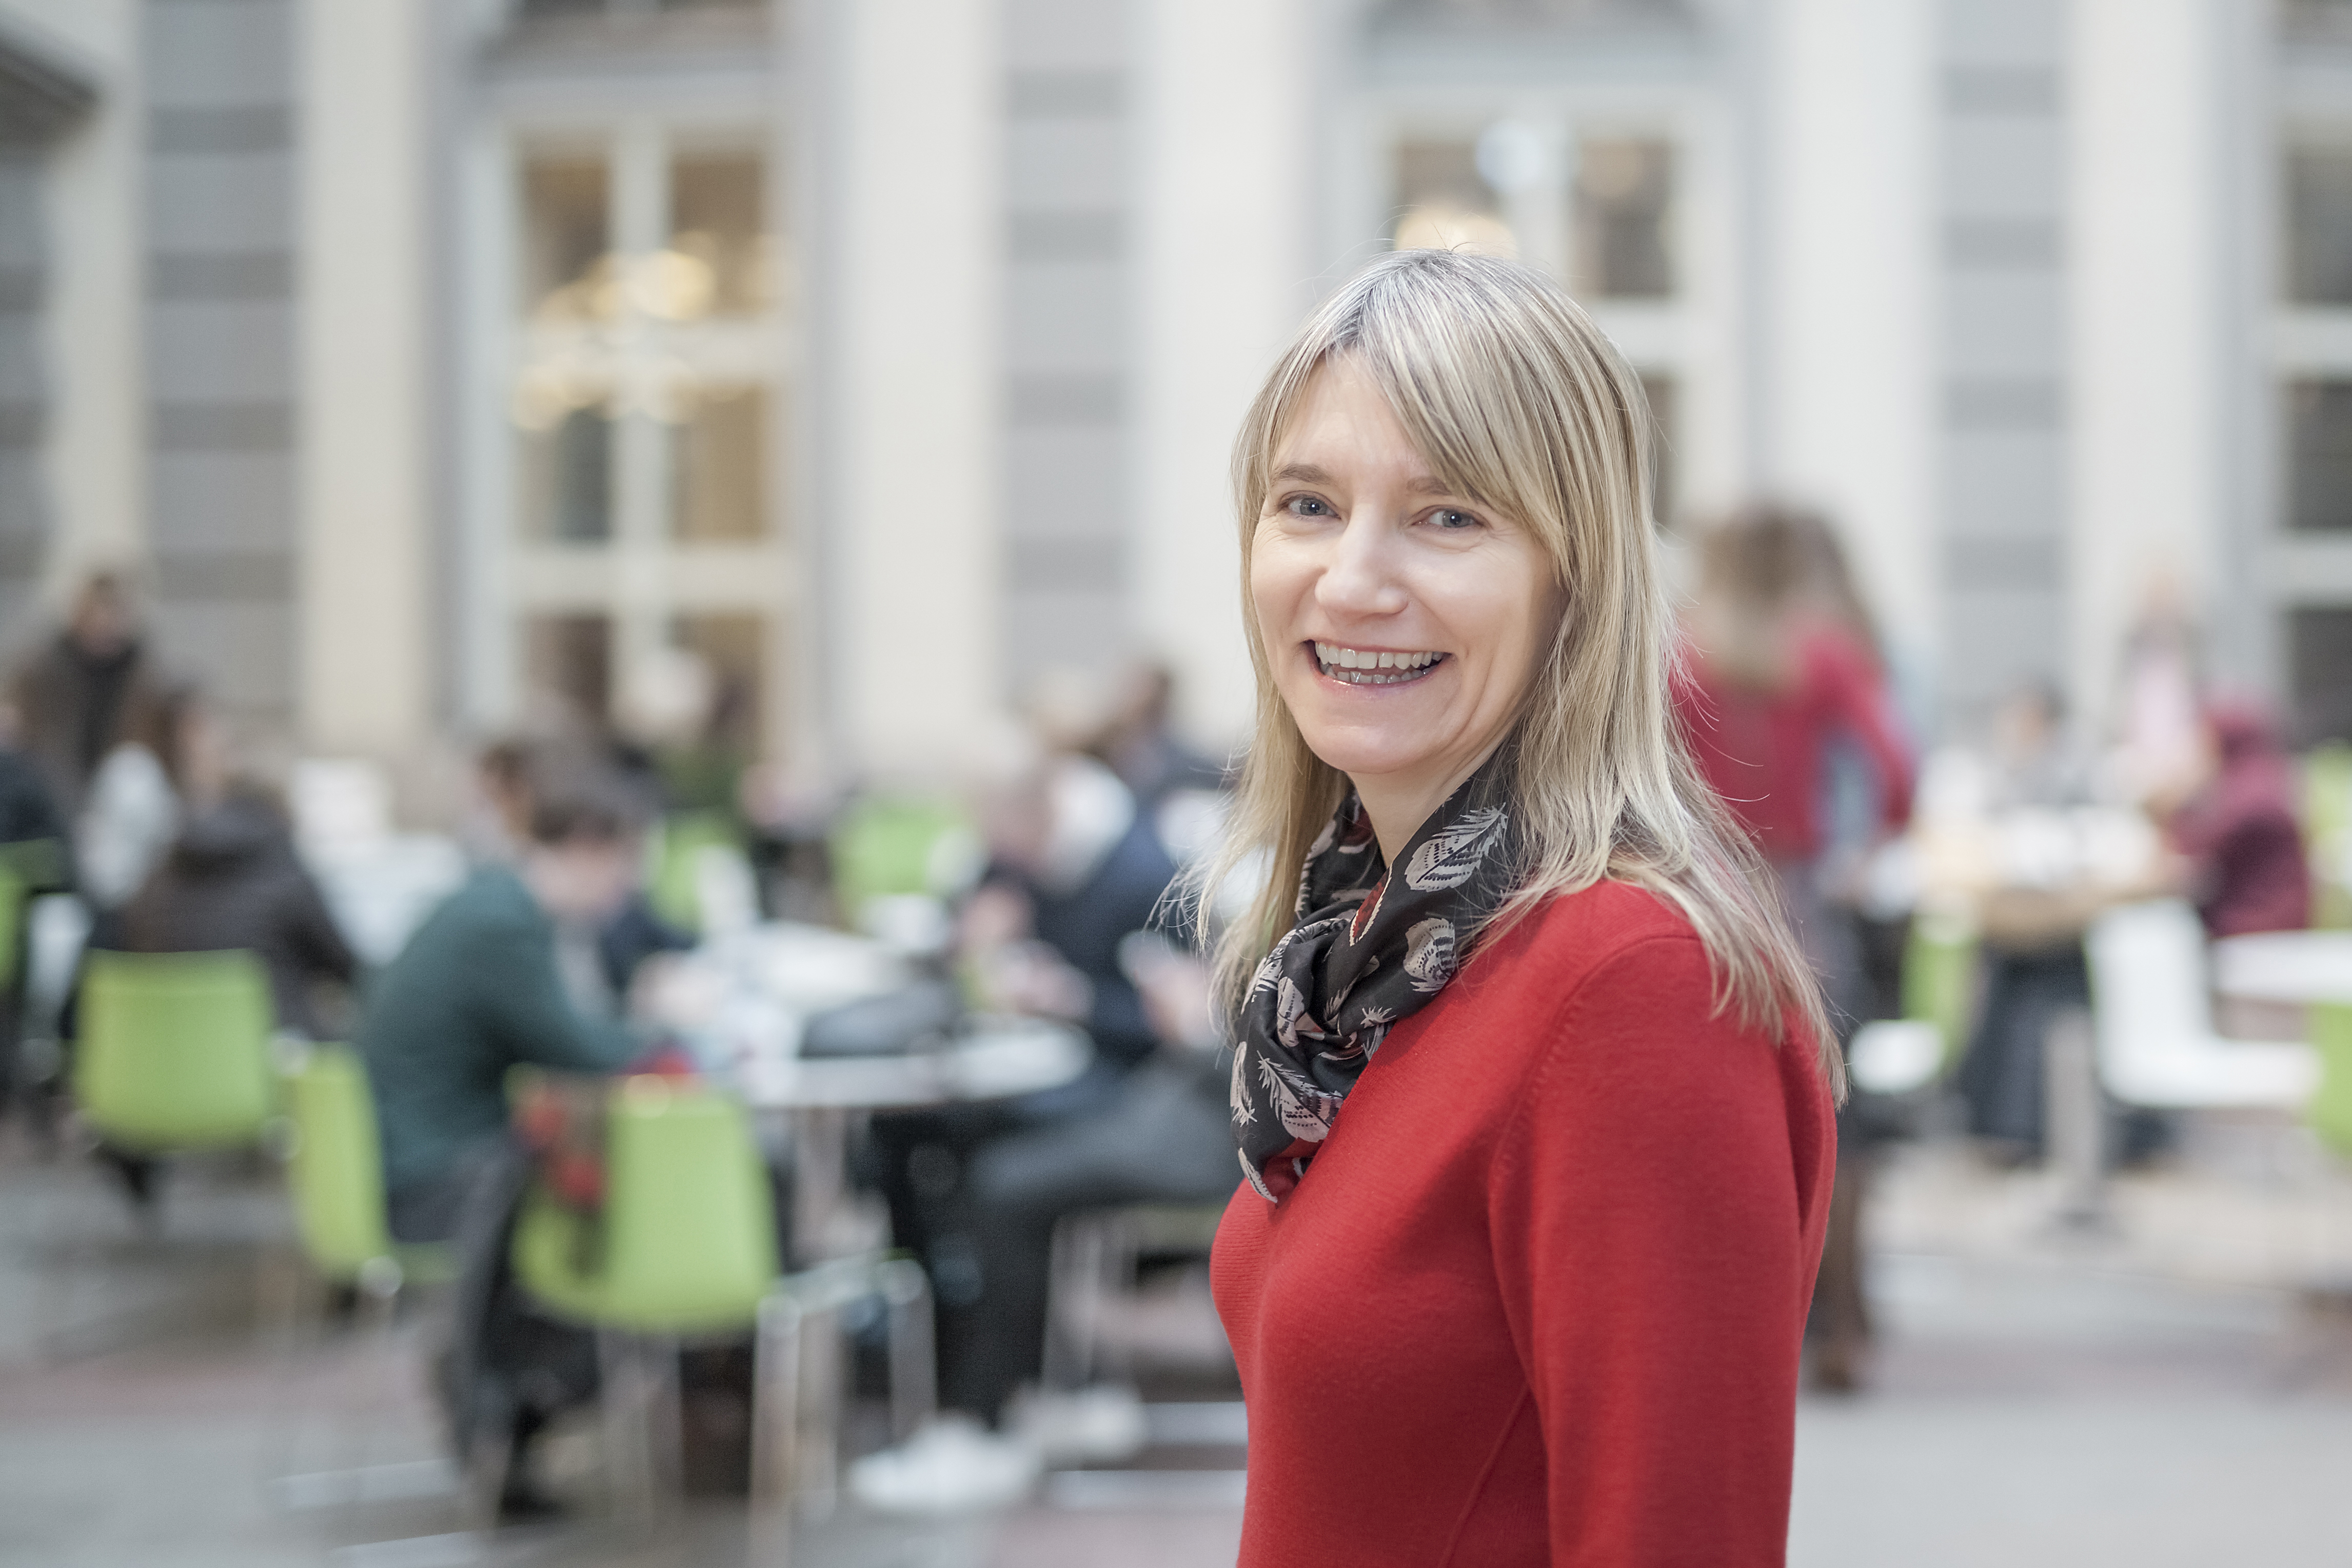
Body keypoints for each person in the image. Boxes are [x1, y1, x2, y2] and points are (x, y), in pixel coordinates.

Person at [1204, 251, 1836, 1565]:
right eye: (1308, 503)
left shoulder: (1630, 982)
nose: (1355, 579)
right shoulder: (1366, 952)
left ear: (1575, 580)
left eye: (1449, 517)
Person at [869, 749, 1235, 1425]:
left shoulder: (1140, 870)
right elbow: (972, 931)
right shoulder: (1013, 862)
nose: (1003, 856)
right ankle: (936, 1341)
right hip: (1081, 1072)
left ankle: (1006, 1381)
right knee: (913, 1132)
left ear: (1040, 813)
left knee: (997, 1175)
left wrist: (1076, 1001)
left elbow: (1174, 1021)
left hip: (1143, 1090)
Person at [1674, 505, 1916, 1394]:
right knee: (1835, 1120)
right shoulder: (1819, 653)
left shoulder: (1682, 654)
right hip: (1803, 899)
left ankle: (1732, 1331)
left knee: (1716, 1122)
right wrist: (1877, 842)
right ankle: (1843, 1325)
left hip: (1704, 896)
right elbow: (1896, 762)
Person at [358, 766, 652, 1246]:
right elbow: (583, 1051)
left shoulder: (487, 898)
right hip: (434, 1181)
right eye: (623, 868)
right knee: (617, 1184)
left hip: (404, 1157)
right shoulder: (505, 926)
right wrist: (669, 1027)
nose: (626, 889)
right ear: (587, 850)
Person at [119, 777, 358, 1041]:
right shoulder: (284, 871)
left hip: (162, 1056)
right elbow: (345, 965)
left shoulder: (160, 874)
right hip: (270, 1056)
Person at [8, 573, 168, 819]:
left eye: (113, 613)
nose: (105, 623)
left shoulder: (141, 678)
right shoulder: (41, 673)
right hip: (53, 794)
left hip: (114, 801)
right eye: (97, 612)